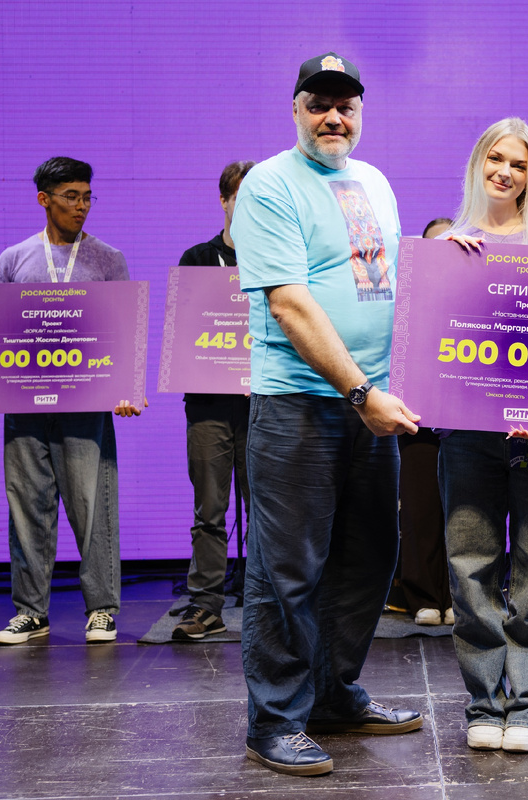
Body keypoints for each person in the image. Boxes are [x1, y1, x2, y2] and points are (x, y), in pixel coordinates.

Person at [229, 52, 423, 777]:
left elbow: (393, 282)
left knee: (367, 559)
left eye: (346, 105)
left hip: (370, 405)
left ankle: (334, 695)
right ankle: (276, 720)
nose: (334, 117)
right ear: (296, 109)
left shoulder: (374, 181)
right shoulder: (270, 184)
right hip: (300, 405)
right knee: (288, 571)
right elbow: (291, 304)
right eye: (319, 104)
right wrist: (361, 393)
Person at [0, 156, 144, 645]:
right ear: (44, 199)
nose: (82, 206)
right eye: (71, 197)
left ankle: (101, 610)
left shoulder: (108, 259)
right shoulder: (14, 259)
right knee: (27, 509)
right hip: (25, 407)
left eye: (87, 197)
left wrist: (128, 387)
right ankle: (31, 612)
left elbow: (125, 330)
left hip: (86, 406)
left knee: (93, 508)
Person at [440, 117, 528, 754]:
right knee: (471, 570)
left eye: (519, 164)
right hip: (469, 432)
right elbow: (434, 342)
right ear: (478, 163)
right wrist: (445, 266)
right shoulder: (451, 244)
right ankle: (482, 703)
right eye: (497, 159)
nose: (506, 172)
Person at [172, 160, 256, 640]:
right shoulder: (198, 259)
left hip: (266, 401)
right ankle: (205, 604)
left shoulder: (281, 257)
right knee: (209, 509)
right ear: (224, 201)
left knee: (266, 508)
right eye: (241, 197)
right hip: (208, 403)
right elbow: (185, 331)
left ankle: (267, 603)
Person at [400, 216, 454, 627]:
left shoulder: (477, 294)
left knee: (464, 513)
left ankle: (457, 597)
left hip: (464, 420)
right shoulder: (408, 299)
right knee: (419, 510)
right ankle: (423, 598)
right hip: (417, 417)